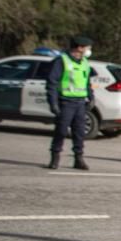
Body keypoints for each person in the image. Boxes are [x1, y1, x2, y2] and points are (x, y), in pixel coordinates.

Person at [46, 36, 94, 170]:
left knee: (79, 133)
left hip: (80, 103)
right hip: (65, 102)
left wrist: (91, 97)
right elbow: (52, 83)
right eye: (88, 48)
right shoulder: (61, 61)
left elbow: (87, 82)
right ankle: (55, 158)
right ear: (80, 47)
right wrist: (53, 103)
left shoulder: (84, 62)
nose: (89, 50)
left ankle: (78, 159)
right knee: (61, 131)